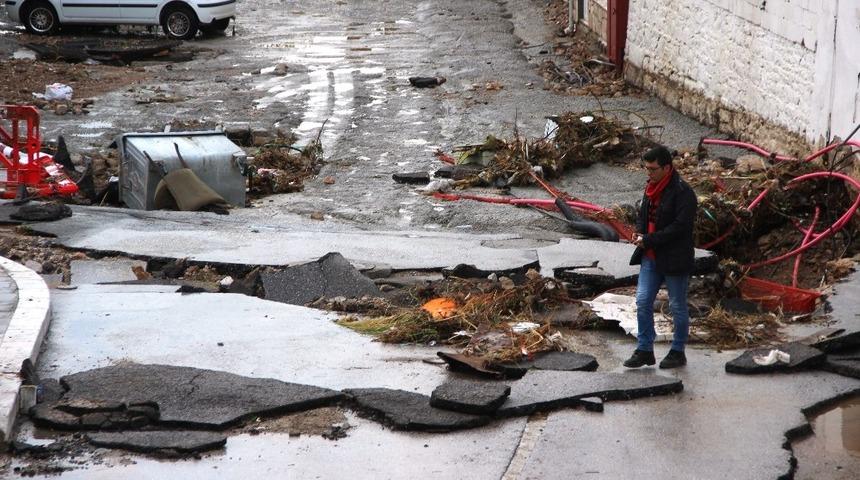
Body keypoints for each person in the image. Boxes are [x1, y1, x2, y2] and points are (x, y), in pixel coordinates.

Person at [624, 145, 697, 369]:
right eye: (646, 169)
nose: (649, 173)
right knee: (643, 300)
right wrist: (639, 231)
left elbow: (680, 227)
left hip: (674, 257)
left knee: (676, 305)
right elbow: (643, 215)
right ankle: (645, 349)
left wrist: (649, 239)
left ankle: (677, 350)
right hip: (651, 256)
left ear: (667, 167)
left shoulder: (683, 192)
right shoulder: (651, 188)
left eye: (653, 169)